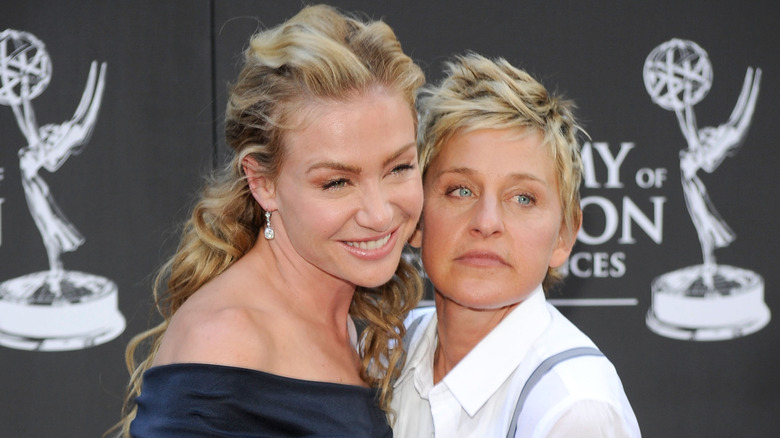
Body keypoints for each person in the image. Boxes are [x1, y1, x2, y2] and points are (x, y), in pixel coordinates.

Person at [110, 4, 425, 437]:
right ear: (263, 183)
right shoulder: (226, 340)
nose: (379, 213)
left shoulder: (348, 317)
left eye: (399, 168)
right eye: (336, 182)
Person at [391, 53, 641, 437]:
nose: (486, 222)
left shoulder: (573, 409)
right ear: (418, 216)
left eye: (523, 198)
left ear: (564, 235)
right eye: (461, 190)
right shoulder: (386, 354)